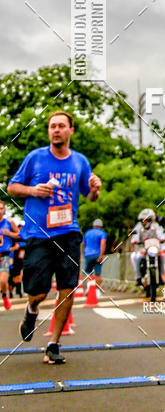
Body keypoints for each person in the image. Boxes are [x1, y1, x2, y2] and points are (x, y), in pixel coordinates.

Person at [7, 110, 102, 364]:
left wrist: (94, 190)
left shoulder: (80, 161)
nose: (56, 130)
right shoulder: (35, 158)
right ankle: (32, 310)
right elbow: (12, 187)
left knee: (68, 289)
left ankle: (53, 344)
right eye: (52, 126)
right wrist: (33, 190)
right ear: (49, 131)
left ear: (71, 130)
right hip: (38, 233)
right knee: (37, 291)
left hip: (69, 232)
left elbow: (89, 196)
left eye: (61, 126)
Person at [130, 209, 165, 285]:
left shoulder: (156, 226)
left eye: (146, 220)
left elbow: (161, 235)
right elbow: (135, 237)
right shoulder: (138, 227)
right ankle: (139, 277)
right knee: (137, 257)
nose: (144, 222)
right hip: (143, 249)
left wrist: (163, 239)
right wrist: (135, 241)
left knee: (162, 256)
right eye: (143, 220)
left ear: (150, 220)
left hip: (154, 249)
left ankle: (160, 276)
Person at [0, 200, 19, 309]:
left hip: (5, 255)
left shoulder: (9, 222)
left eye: (1, 208)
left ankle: (5, 296)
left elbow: (21, 235)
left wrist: (10, 234)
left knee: (3, 280)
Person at [82, 218, 107, 289]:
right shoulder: (102, 233)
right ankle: (96, 291)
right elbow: (103, 243)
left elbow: (83, 244)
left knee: (88, 273)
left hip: (88, 255)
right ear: (101, 226)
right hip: (97, 255)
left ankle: (89, 289)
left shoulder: (87, 233)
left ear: (93, 225)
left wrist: (84, 253)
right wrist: (101, 255)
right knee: (98, 274)